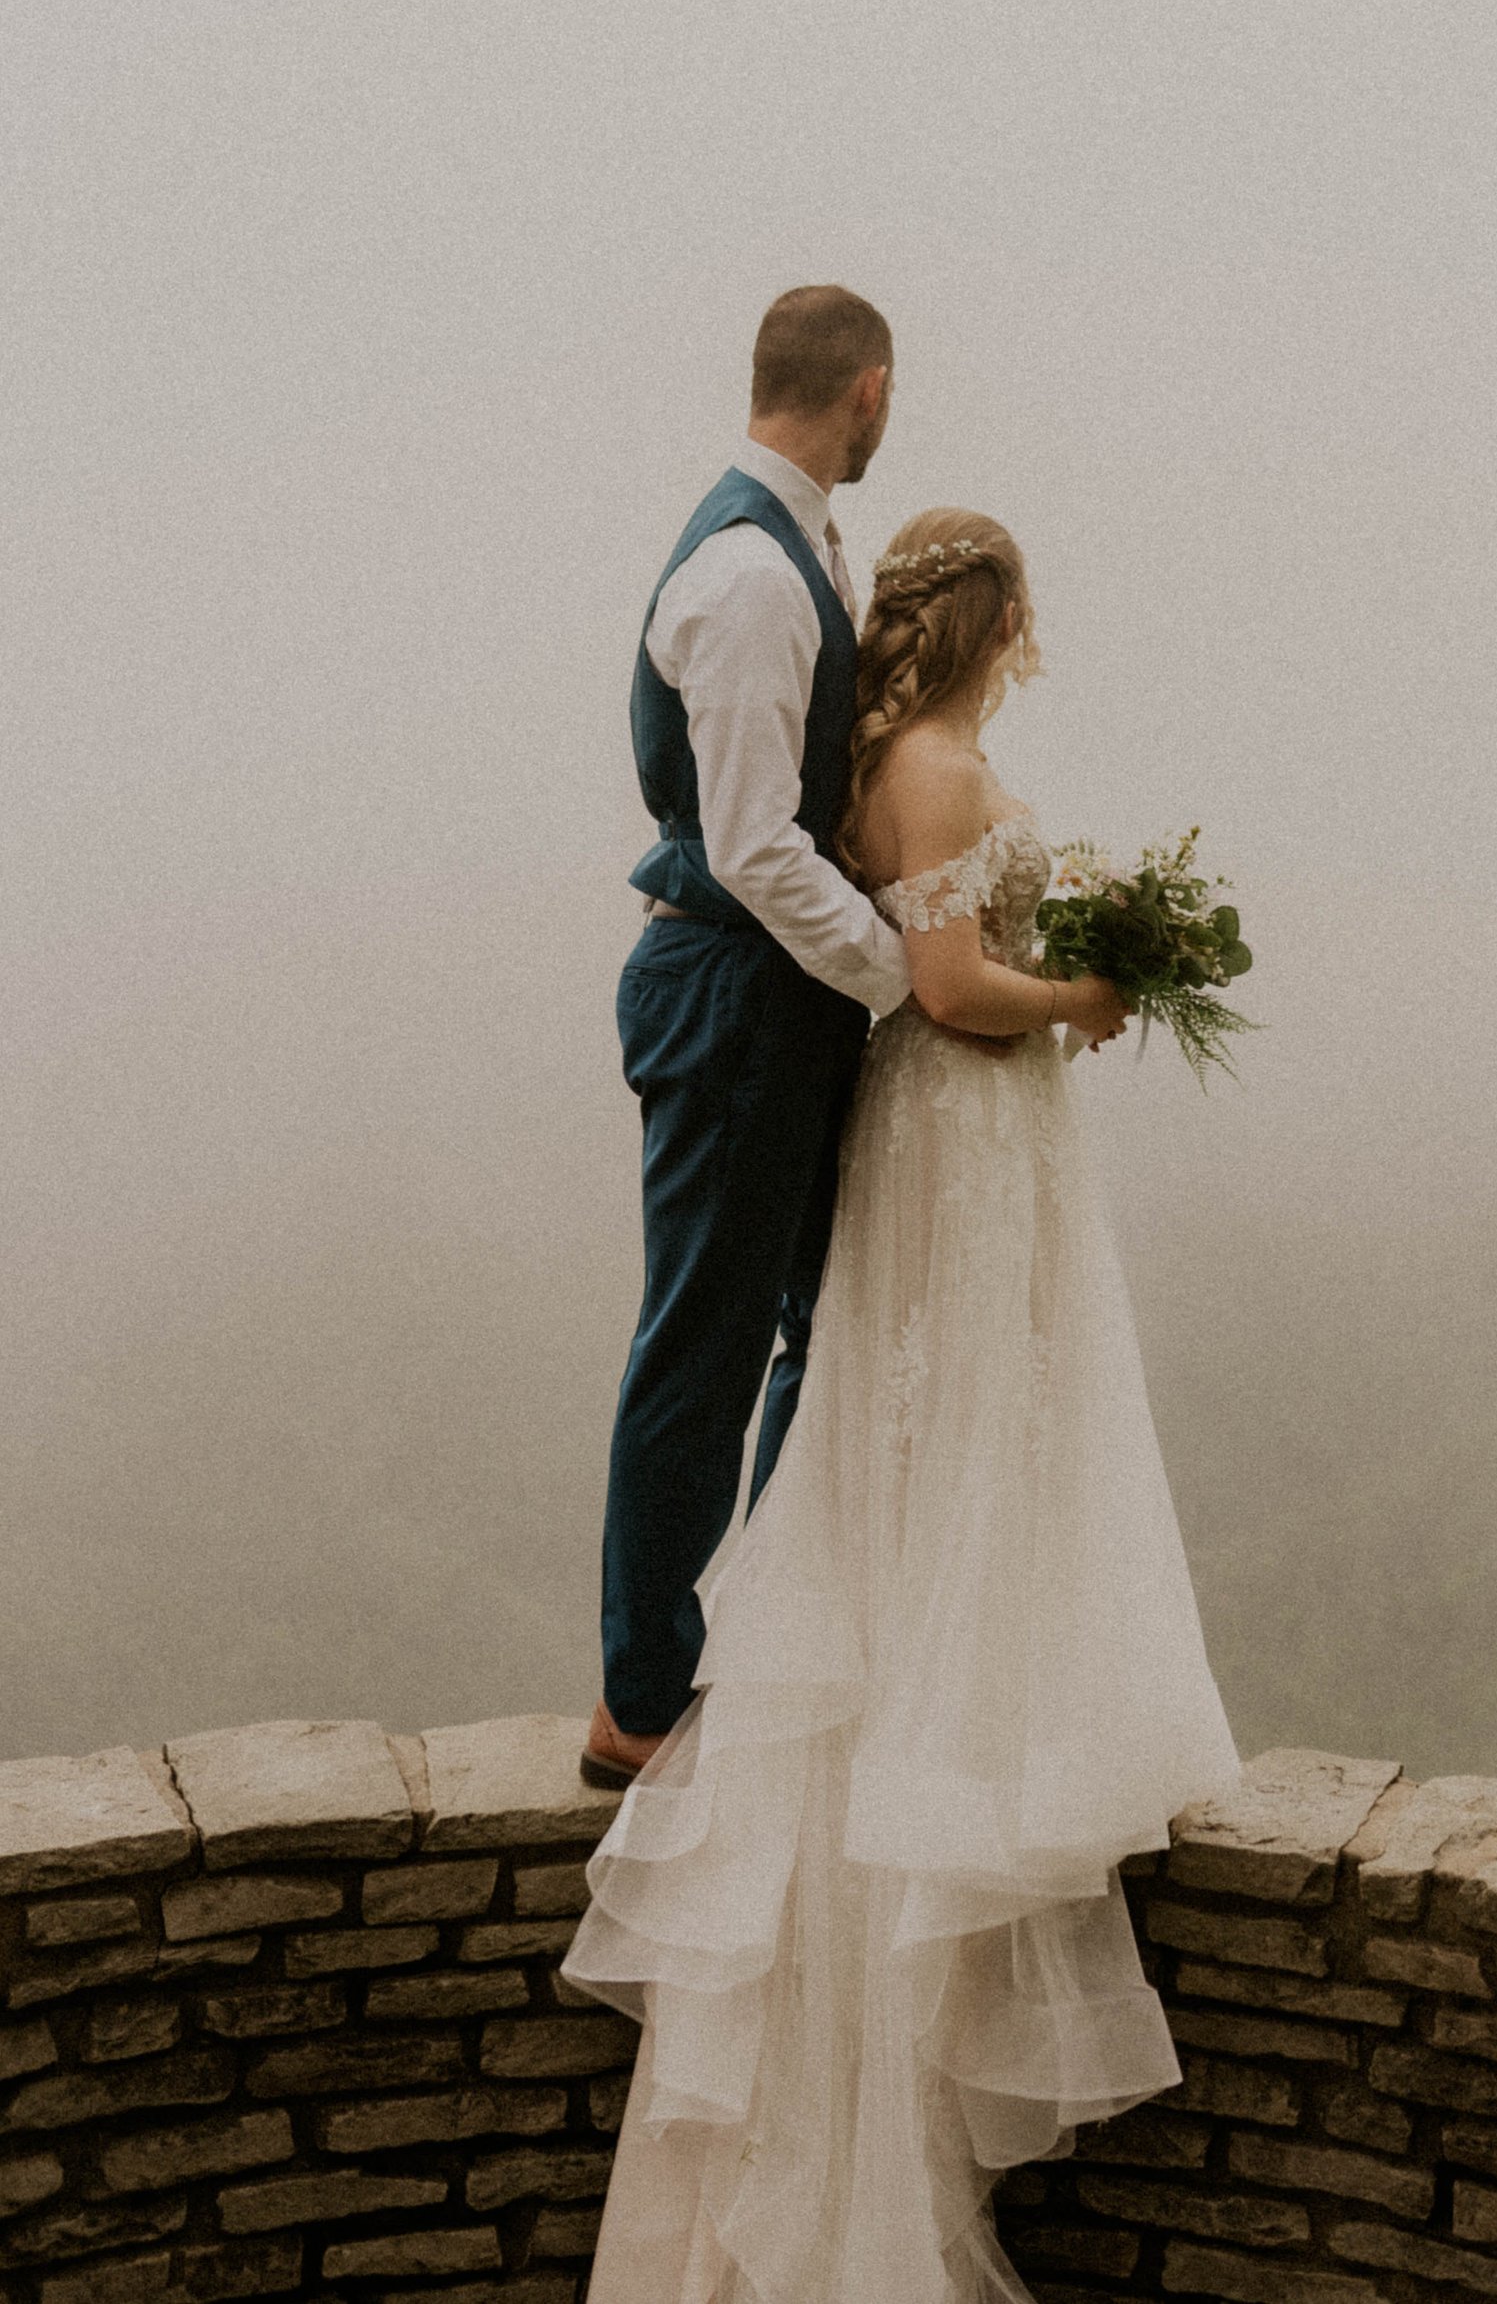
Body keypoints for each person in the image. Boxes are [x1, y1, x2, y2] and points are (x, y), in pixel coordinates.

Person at [564, 509, 1239, 2304]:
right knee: (949, 1424)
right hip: (956, 1122)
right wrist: (1090, 986)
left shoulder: (895, 761)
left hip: (964, 1134)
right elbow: (949, 986)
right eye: (1029, 607)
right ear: (994, 613)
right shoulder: (931, 769)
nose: (1037, 635)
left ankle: (980, 1660)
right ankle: (958, 1701)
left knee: (961, 1425)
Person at [586, 284, 919, 1792]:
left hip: (774, 995)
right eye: (887, 398)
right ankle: (643, 1698)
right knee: (701, 1347)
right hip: (733, 993)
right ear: (866, 388)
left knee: (813, 1324)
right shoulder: (748, 576)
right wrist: (900, 973)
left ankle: (752, 1636)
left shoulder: (800, 549)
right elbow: (752, 844)